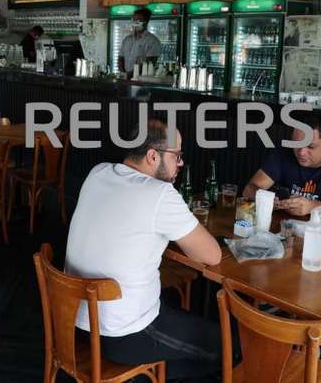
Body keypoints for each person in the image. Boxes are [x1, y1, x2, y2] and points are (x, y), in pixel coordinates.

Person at [65, 119, 223, 381]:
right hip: (123, 334)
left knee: (178, 319)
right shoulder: (160, 193)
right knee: (227, 345)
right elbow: (212, 255)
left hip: (75, 322)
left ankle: (141, 375)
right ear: (152, 156)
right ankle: (141, 377)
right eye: (177, 155)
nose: (181, 163)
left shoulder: (98, 172)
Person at [118, 8, 162, 78]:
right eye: (134, 19)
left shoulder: (153, 41)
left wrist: (129, 75)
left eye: (139, 20)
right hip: (125, 79)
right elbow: (120, 58)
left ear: (146, 22)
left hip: (142, 80)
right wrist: (123, 74)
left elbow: (149, 64)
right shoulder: (127, 39)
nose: (135, 22)